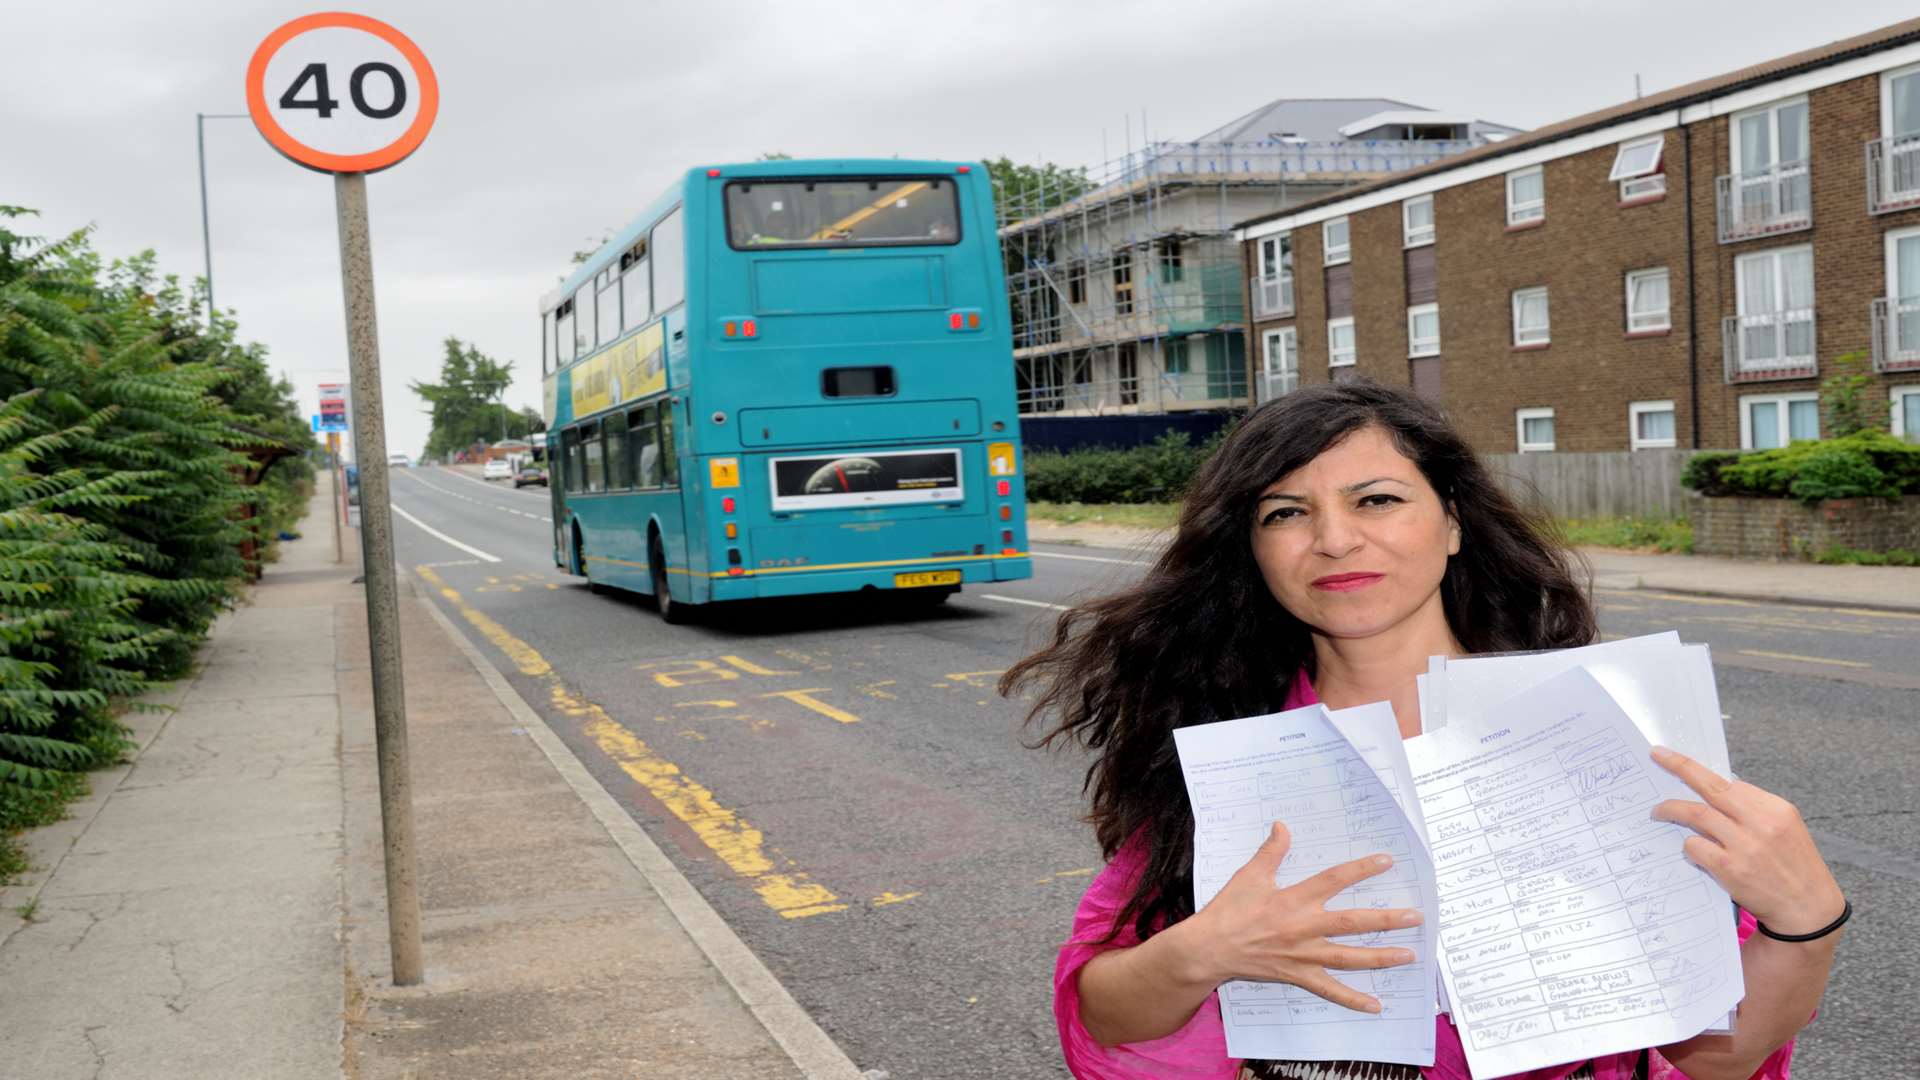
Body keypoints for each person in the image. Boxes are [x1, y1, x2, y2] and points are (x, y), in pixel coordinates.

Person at [1001, 380, 1846, 1080]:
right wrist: (1205, 951)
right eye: (1286, 513)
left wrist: (1806, 920)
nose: (1334, 539)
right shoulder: (1235, 747)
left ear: (1451, 523)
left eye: (1376, 499)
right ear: (1252, 550)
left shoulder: (1591, 725)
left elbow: (1715, 1052)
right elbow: (1105, 1016)